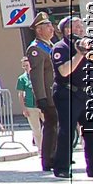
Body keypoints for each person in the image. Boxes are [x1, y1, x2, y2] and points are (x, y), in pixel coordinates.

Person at [51, 16, 93, 179]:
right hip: (66, 92)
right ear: (67, 30)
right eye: (77, 27)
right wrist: (80, 54)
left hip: (86, 93)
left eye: (82, 27)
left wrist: (91, 54)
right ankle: (61, 168)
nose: (81, 30)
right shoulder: (60, 47)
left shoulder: (87, 47)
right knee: (67, 131)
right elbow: (64, 71)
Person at [25, 15, 59, 171]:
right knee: (51, 126)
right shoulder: (35, 48)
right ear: (39, 30)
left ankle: (55, 155)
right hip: (48, 95)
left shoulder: (49, 45)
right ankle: (48, 159)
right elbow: (36, 76)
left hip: (56, 93)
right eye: (47, 26)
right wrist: (41, 98)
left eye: (51, 25)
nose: (52, 28)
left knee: (56, 126)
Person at [17, 56, 43, 151]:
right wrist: (24, 108)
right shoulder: (22, 78)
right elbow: (20, 94)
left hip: (42, 104)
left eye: (27, 65)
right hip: (30, 106)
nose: (26, 67)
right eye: (24, 66)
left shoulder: (38, 74)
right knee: (36, 130)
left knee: (50, 126)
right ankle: (40, 150)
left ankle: (51, 148)